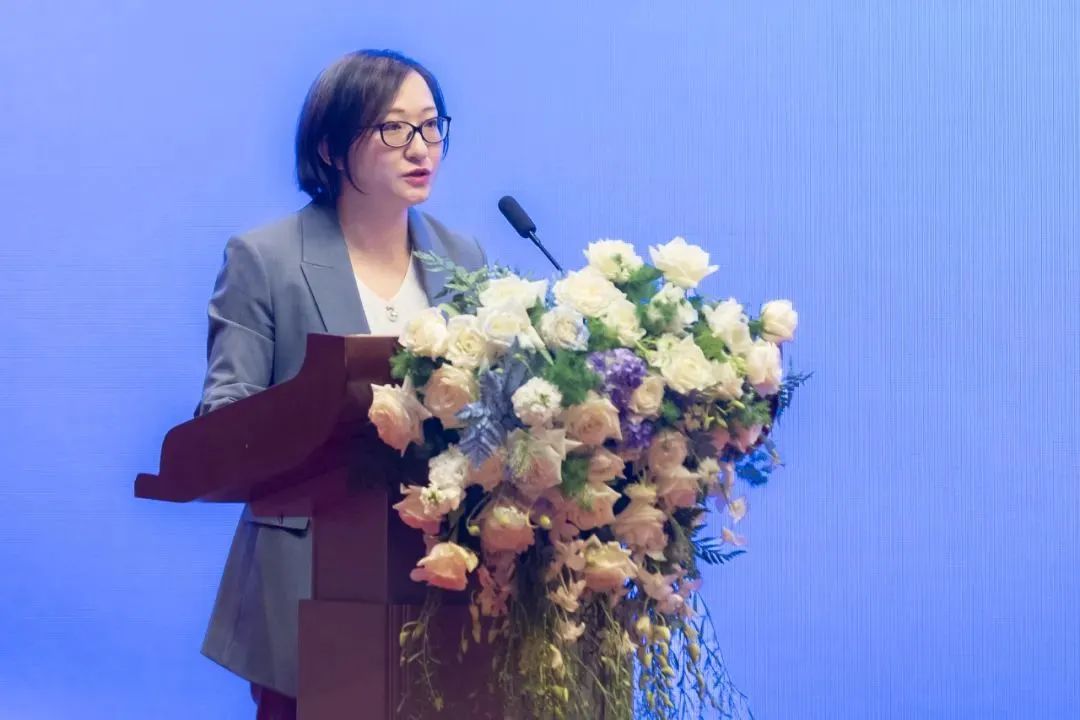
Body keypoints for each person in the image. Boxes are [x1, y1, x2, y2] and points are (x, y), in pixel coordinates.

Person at [196, 49, 485, 719]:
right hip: (314, 580)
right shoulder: (265, 260)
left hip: (442, 575)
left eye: (431, 125)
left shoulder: (462, 257)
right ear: (330, 148)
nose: (422, 147)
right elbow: (224, 415)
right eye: (394, 128)